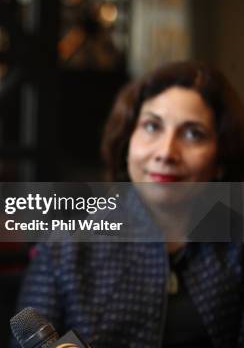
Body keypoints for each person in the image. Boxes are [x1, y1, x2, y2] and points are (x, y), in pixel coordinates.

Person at [15, 61, 244, 347]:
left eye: (192, 133)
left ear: (221, 158)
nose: (166, 152)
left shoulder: (237, 247)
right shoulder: (65, 246)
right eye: (152, 126)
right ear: (127, 141)